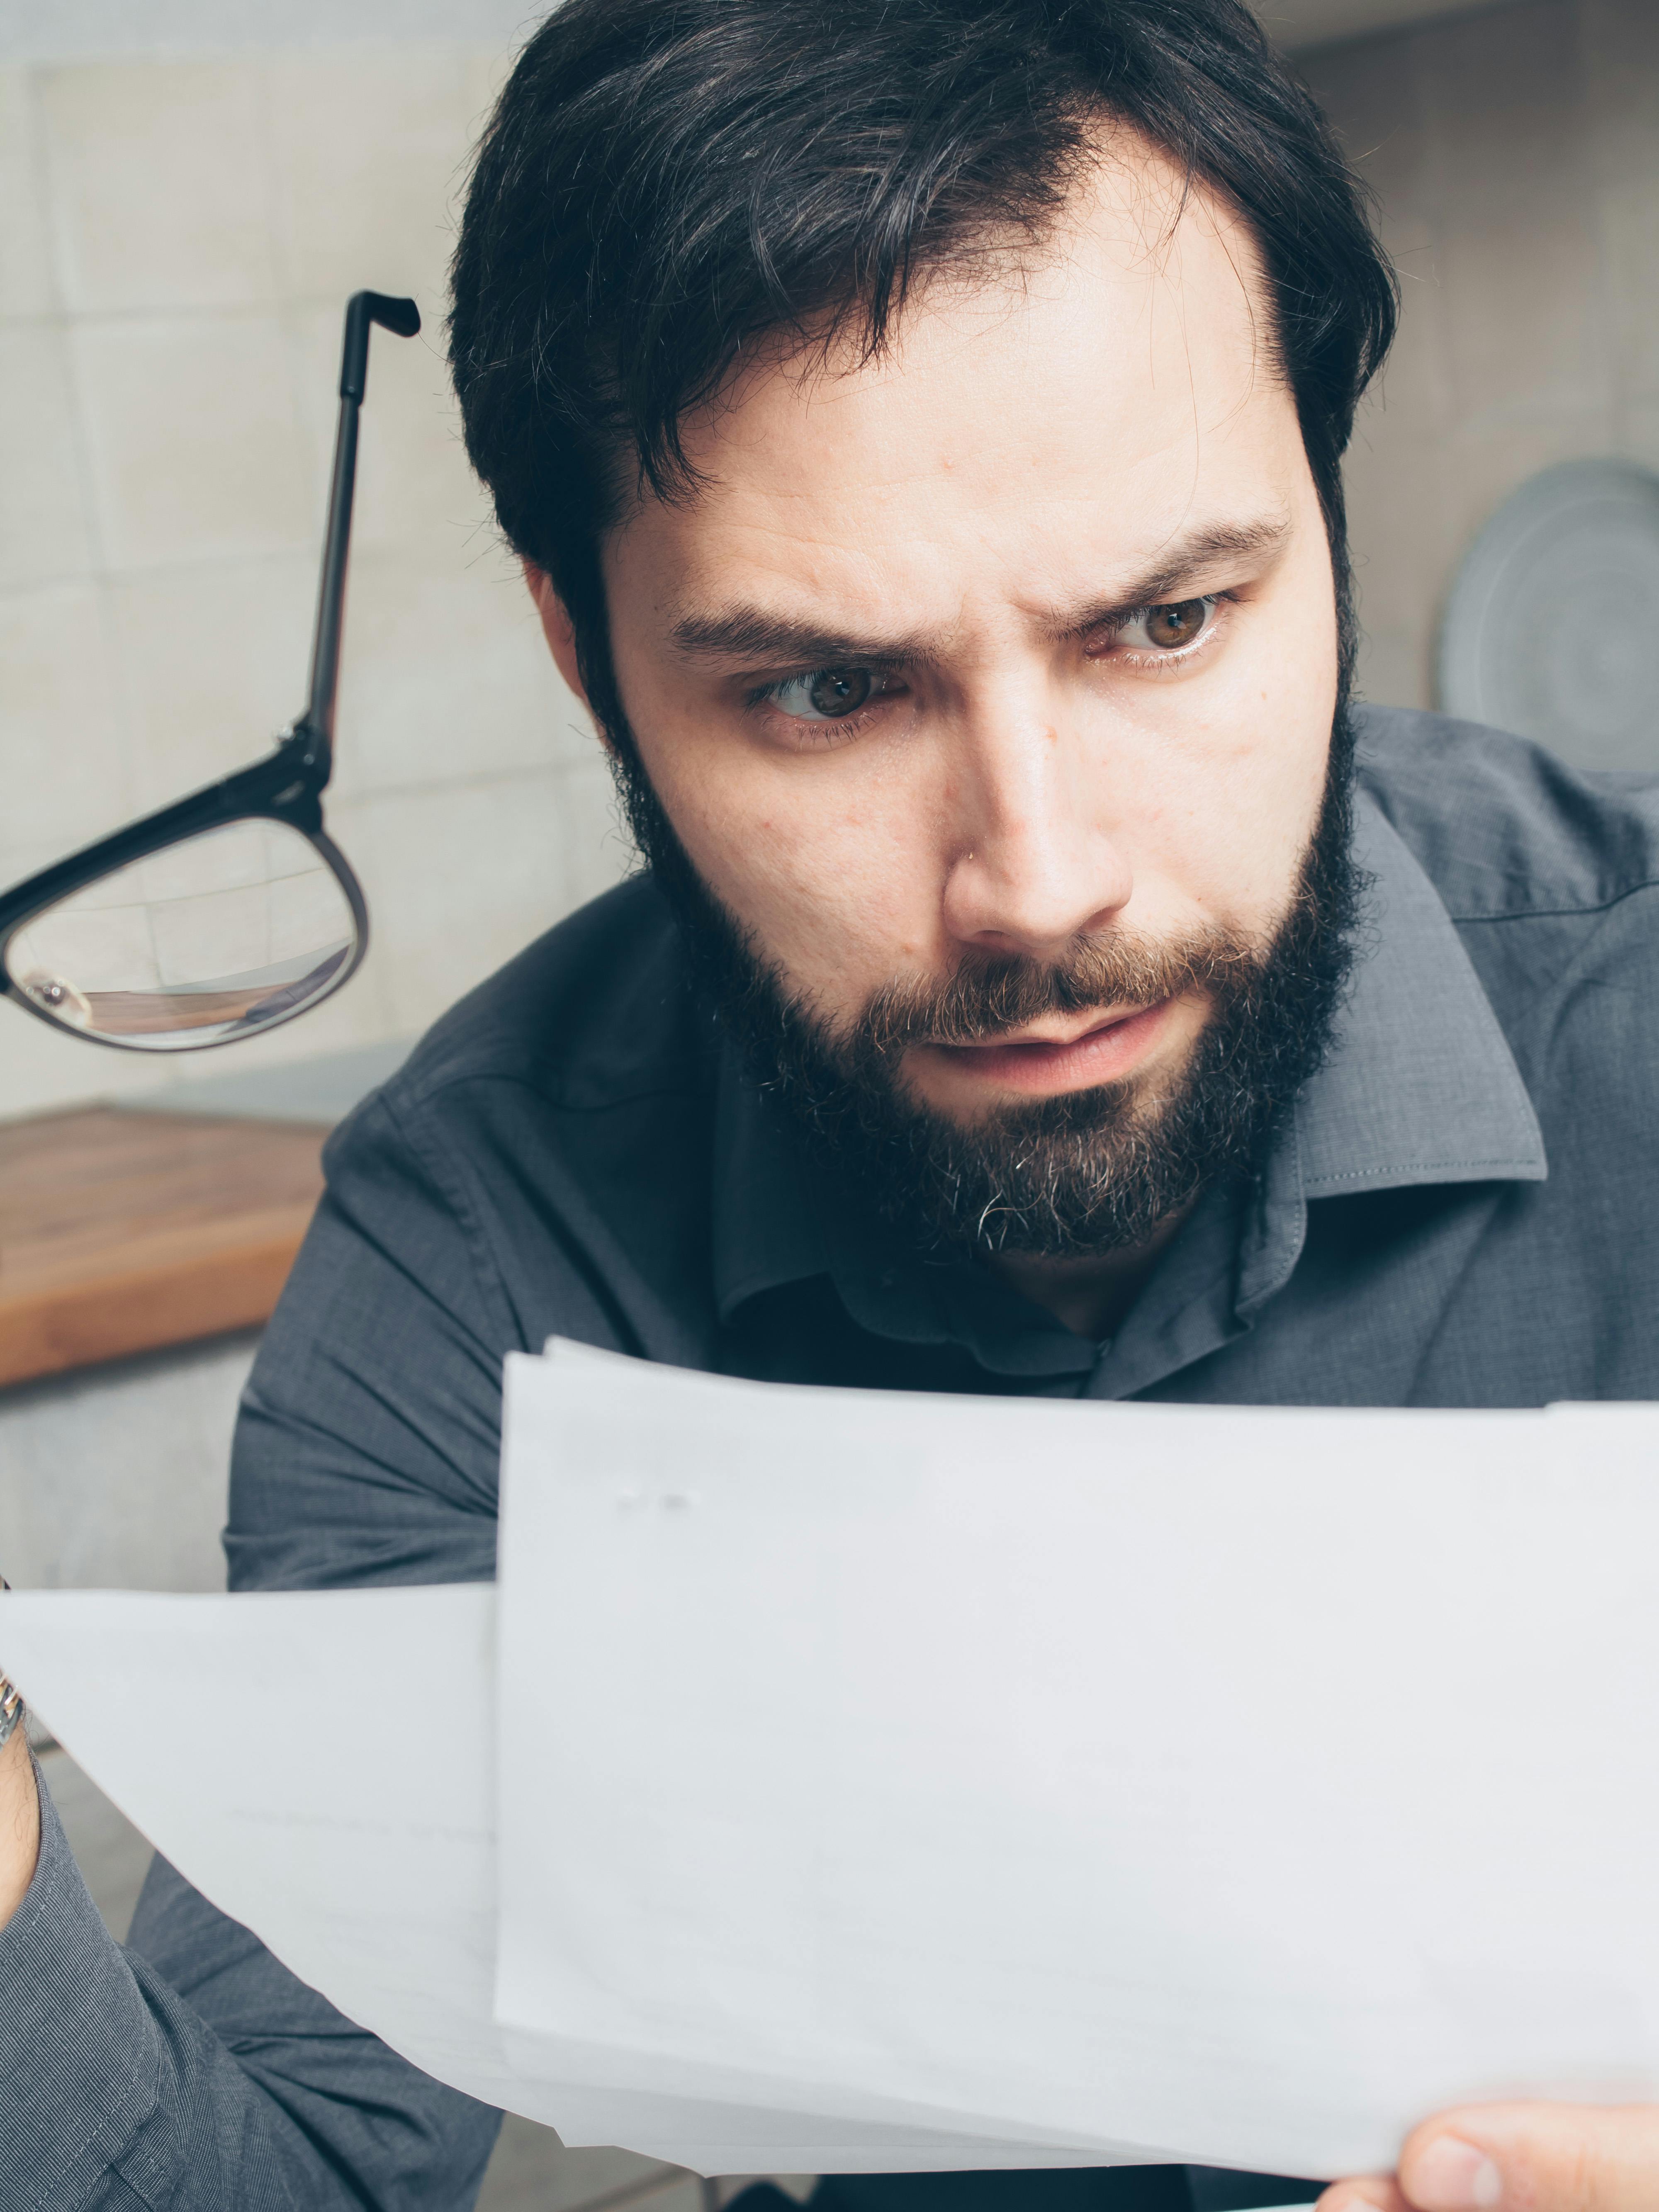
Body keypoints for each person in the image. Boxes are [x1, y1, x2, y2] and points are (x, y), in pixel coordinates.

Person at [3, 0, 1659, 2207]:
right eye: (819, 688)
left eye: (1168, 623)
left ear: (1328, 536)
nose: (1040, 877)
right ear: (590, 658)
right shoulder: (482, 1240)